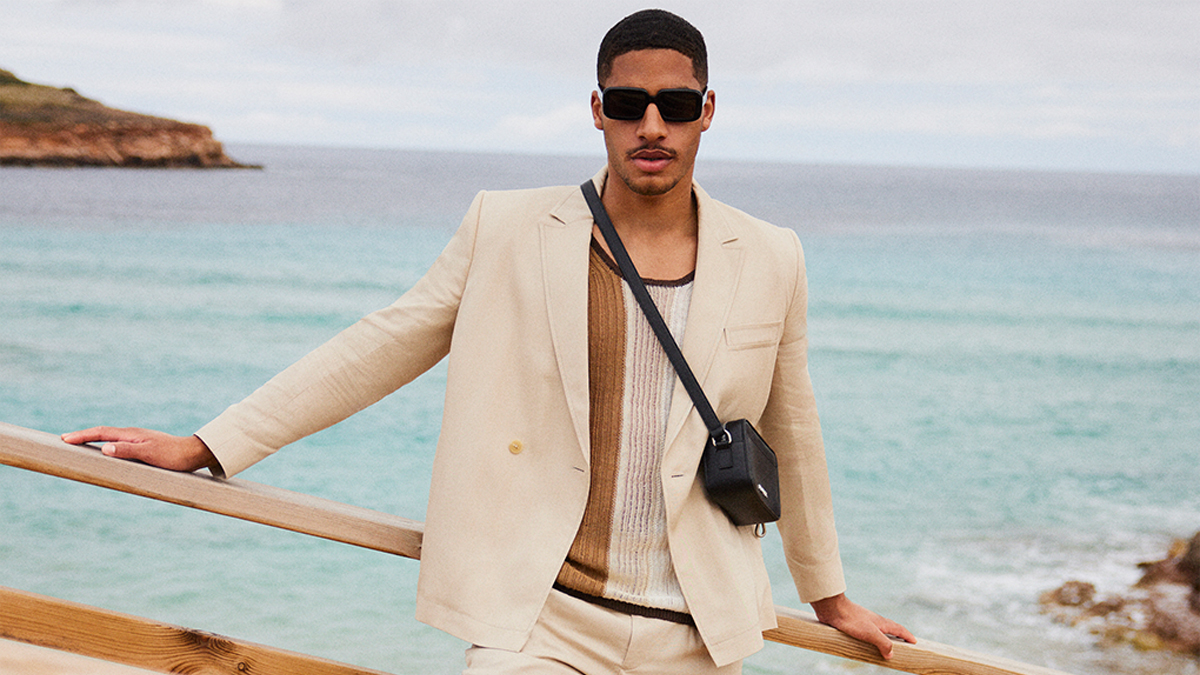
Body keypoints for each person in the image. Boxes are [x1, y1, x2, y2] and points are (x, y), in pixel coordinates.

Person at [64, 9, 914, 674]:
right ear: (598, 111)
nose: (651, 124)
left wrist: (829, 596)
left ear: (707, 112)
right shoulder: (507, 226)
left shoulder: (770, 254)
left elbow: (794, 432)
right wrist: (209, 444)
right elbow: (382, 345)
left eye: (675, 105)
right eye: (628, 104)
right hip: (540, 623)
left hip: (698, 633)